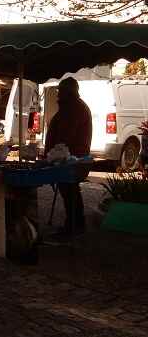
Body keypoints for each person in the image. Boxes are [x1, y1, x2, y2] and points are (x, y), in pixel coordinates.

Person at [44, 77, 93, 237]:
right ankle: (76, 224)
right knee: (70, 191)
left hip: (71, 158)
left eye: (61, 90)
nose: (58, 94)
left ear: (68, 91)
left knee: (70, 191)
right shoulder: (72, 106)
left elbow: (66, 136)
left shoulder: (74, 108)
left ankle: (74, 226)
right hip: (70, 157)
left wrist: (54, 156)